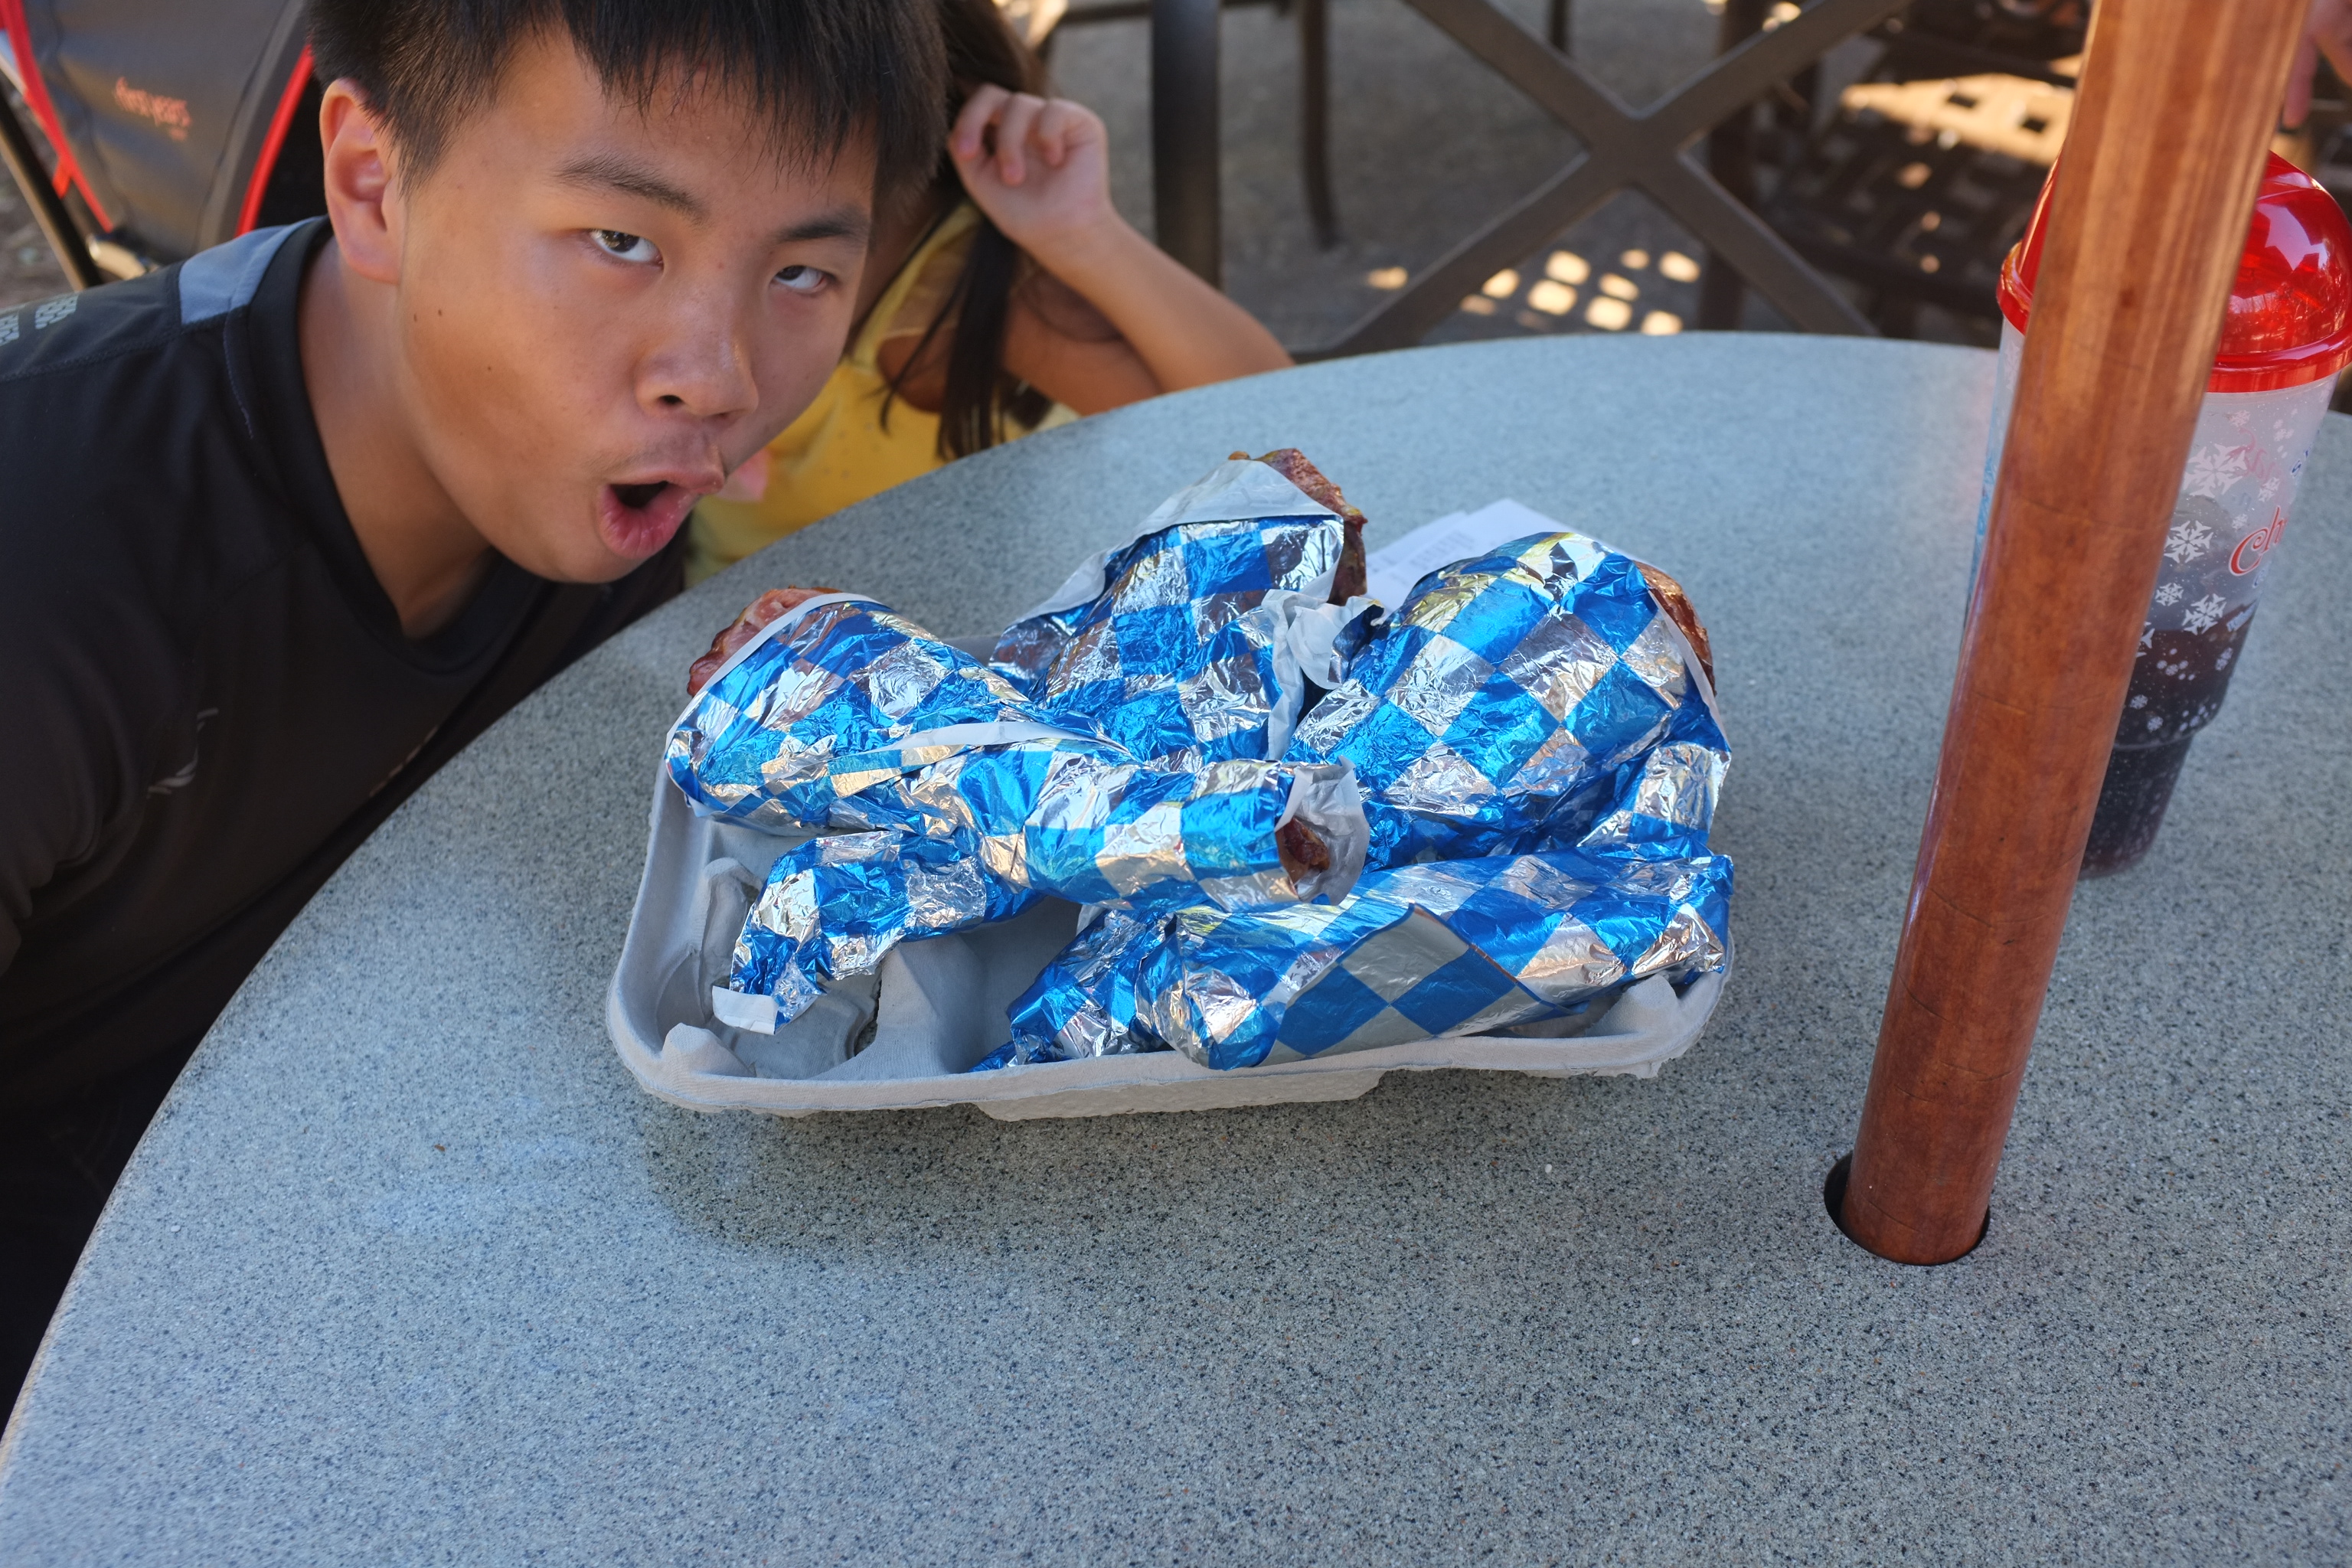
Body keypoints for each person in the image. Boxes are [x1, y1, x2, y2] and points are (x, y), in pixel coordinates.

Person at [0, 0, 948, 1403]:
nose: (718, 376)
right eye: (621, 241)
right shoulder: (53, 557)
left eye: (802, 272)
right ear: (374, 182)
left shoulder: (571, 476)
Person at [687, 0, 1292, 582]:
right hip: (722, 615)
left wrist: (1083, 234)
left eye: (797, 274)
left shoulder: (945, 289)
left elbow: (1277, 437)